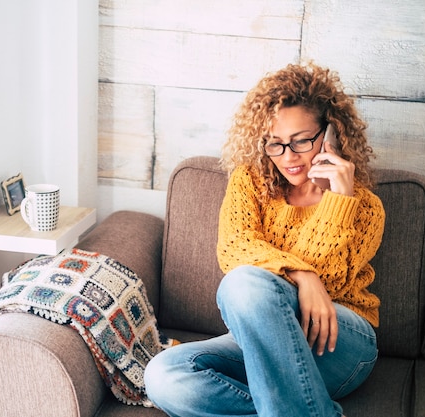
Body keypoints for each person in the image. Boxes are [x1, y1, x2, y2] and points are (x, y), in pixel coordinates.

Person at [143, 63, 385, 417]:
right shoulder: (250, 183)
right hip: (263, 341)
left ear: (332, 132)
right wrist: (303, 275)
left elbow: (328, 286)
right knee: (164, 375)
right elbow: (234, 249)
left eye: (302, 140)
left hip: (339, 340)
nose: (289, 156)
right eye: (275, 143)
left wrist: (339, 201)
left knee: (244, 283)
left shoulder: (364, 206)